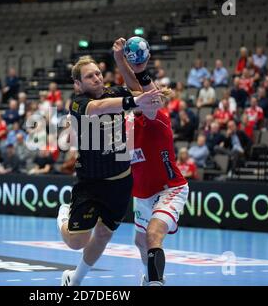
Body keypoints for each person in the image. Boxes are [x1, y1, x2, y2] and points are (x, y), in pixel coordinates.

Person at [56, 54, 162, 286]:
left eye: (97, 73)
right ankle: (63, 215)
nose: (96, 78)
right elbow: (99, 107)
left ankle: (73, 281)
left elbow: (140, 94)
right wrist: (134, 102)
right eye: (89, 76)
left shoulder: (115, 92)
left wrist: (146, 91)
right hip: (91, 184)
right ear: (78, 84)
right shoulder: (78, 103)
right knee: (77, 242)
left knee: (103, 235)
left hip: (121, 182)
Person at [113, 37, 189, 286]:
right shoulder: (126, 126)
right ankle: (150, 278)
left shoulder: (157, 118)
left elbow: (148, 96)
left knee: (153, 235)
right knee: (139, 241)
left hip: (170, 189)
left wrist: (129, 67)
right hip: (143, 194)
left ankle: (156, 282)